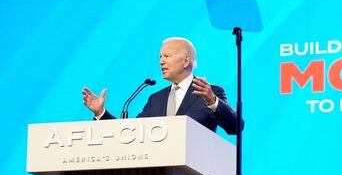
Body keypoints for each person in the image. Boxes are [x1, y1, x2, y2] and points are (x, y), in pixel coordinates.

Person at [82, 37, 242, 135]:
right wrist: (101, 113)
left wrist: (212, 100)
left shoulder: (209, 93)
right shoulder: (156, 99)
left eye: (167, 56)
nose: (161, 61)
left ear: (186, 61)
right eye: (160, 57)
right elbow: (130, 133)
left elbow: (235, 127)